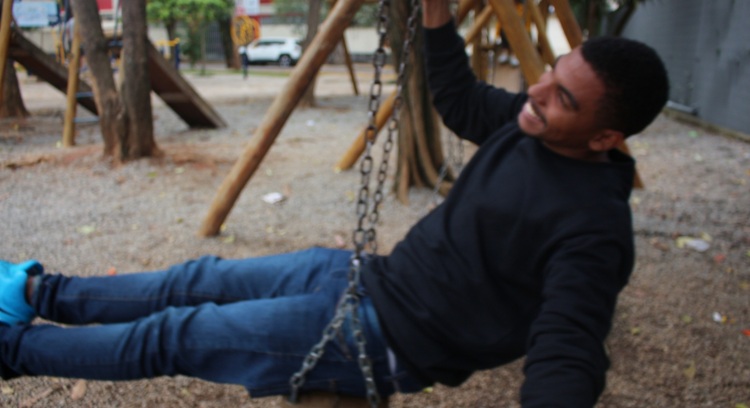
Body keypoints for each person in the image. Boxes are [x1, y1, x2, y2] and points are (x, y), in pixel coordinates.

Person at [0, 0, 669, 406]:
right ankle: (36, 292)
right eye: (550, 74)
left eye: (562, 98)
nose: (537, 93)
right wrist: (436, 12)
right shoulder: (530, 124)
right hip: (361, 276)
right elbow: (461, 99)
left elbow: (569, 343)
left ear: (605, 138)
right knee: (194, 279)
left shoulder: (594, 232)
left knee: (175, 335)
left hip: (381, 340)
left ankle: (13, 349)